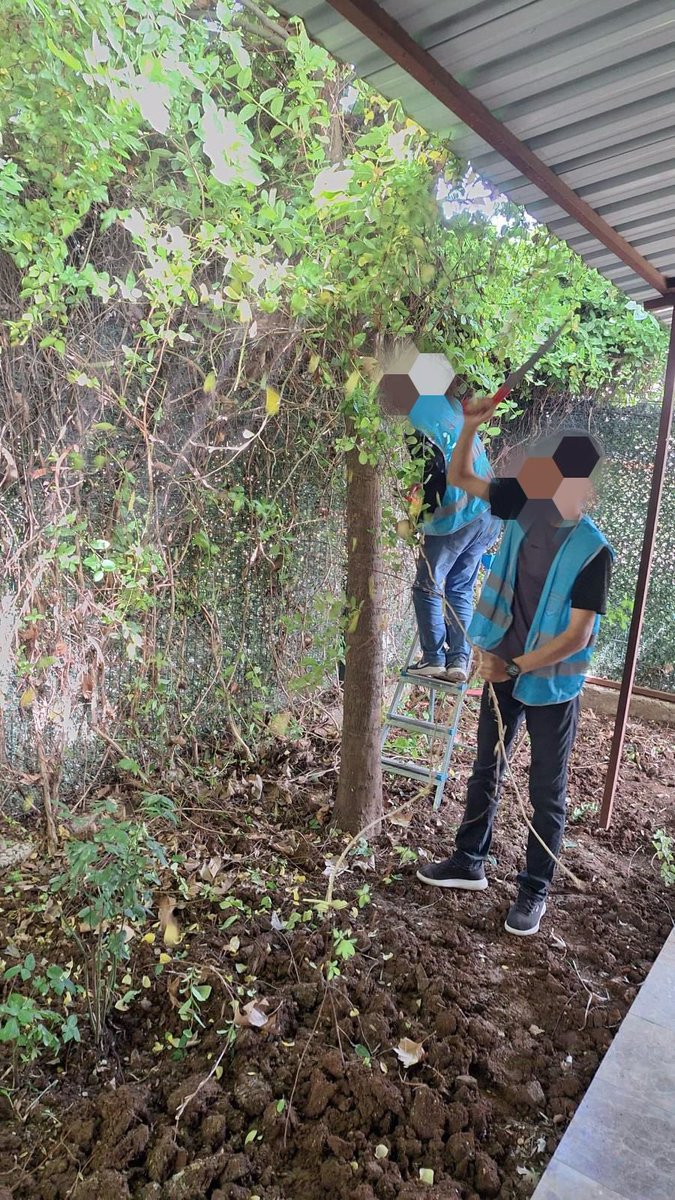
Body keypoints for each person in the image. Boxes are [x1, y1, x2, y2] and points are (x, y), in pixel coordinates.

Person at [416, 402, 613, 936]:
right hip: (502, 665)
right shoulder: (525, 505)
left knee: (547, 788)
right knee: (487, 767)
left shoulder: (594, 551)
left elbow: (577, 635)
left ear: (587, 489)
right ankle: (468, 862)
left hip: (550, 683)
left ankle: (534, 890)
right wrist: (472, 425)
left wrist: (514, 664)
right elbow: (460, 476)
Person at [406, 391, 500, 683]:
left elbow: (431, 472)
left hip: (456, 517)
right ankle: (458, 660)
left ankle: (433, 658)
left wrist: (418, 519)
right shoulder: (452, 407)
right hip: (489, 513)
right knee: (459, 587)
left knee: (427, 586)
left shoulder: (416, 418)